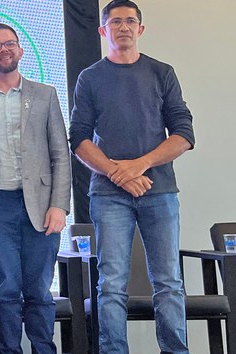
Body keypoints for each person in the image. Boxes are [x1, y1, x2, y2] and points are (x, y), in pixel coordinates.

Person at [69, 1, 195, 353]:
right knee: (111, 285)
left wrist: (139, 165)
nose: (123, 27)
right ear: (102, 30)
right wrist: (117, 173)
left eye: (129, 21)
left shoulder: (162, 73)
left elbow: (184, 133)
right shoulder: (90, 77)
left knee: (169, 282)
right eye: (115, 22)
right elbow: (78, 138)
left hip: (160, 191)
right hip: (108, 196)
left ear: (140, 29)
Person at [0, 23, 71, 354]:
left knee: (39, 290)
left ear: (20, 50)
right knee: (6, 291)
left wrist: (59, 205)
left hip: (41, 205)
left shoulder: (45, 94)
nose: (3, 50)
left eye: (9, 43)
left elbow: (60, 154)